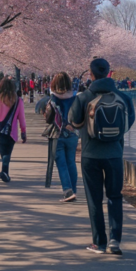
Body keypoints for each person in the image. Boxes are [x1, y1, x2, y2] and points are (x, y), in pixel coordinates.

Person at [68, 58, 135, 256]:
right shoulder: (123, 97)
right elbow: (127, 123)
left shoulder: (84, 97)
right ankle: (115, 239)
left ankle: (99, 242)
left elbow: (73, 120)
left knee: (94, 199)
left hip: (91, 155)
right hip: (114, 154)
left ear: (91, 74)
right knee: (115, 196)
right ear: (109, 73)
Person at [46, 72, 79, 202]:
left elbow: (49, 118)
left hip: (57, 133)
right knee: (71, 161)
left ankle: (67, 190)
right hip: (72, 133)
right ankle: (73, 189)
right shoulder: (75, 97)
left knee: (61, 163)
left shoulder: (53, 98)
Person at [0, 76, 26, 182]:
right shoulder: (18, 101)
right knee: (7, 154)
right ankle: (4, 172)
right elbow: (22, 118)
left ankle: (5, 172)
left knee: (4, 154)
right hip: (11, 133)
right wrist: (23, 132)